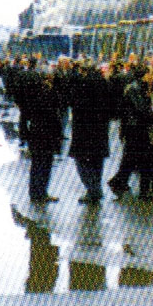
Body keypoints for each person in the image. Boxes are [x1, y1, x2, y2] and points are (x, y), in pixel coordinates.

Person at [108, 64, 153, 199]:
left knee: (135, 159)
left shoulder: (140, 87)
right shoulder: (134, 89)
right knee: (136, 159)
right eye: (149, 73)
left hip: (139, 128)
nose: (151, 76)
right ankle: (128, 186)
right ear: (143, 75)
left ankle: (130, 187)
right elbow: (140, 108)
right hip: (135, 129)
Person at [68, 60, 114, 204]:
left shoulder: (81, 83)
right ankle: (95, 188)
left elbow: (74, 103)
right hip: (100, 129)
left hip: (83, 129)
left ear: (83, 70)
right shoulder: (105, 83)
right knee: (97, 161)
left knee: (82, 161)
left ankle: (93, 189)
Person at [26, 70, 65, 204]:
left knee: (36, 163)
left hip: (36, 132)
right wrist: (58, 135)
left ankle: (34, 192)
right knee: (45, 164)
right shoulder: (50, 93)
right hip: (47, 133)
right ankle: (41, 192)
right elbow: (56, 114)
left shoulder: (33, 93)